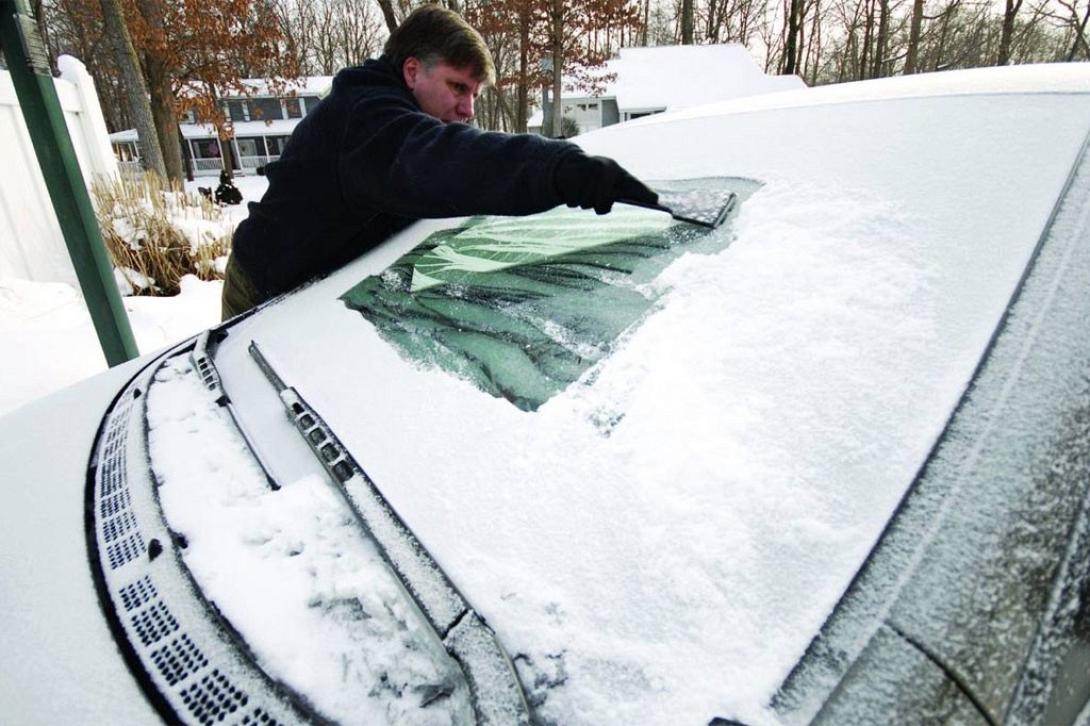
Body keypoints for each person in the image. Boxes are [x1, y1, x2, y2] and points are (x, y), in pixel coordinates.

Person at [221, 4, 657, 320]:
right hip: (265, 291)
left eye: (474, 94)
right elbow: (447, 160)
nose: (468, 109)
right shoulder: (368, 119)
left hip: (317, 285)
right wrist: (561, 169)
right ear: (412, 71)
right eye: (458, 87)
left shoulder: (383, 114)